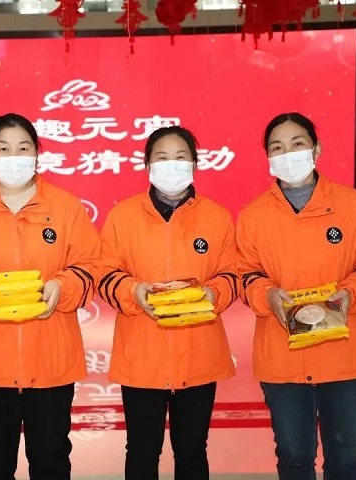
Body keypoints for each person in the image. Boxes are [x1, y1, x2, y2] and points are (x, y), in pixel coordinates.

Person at [0, 113, 99, 480]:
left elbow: (91, 265)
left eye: (23, 148)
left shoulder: (66, 207)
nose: (14, 157)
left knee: (51, 461)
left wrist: (63, 286)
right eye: (4, 148)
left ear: (38, 153)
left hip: (52, 362)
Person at [236, 112, 356, 480]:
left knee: (345, 457)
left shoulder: (352, 205)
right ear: (268, 157)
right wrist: (267, 295)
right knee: (293, 456)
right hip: (283, 356)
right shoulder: (253, 216)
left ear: (316, 149)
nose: (287, 154)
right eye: (277, 147)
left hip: (346, 354)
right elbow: (244, 273)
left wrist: (350, 293)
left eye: (297, 144)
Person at [97, 126, 238, 480]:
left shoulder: (217, 217)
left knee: (192, 450)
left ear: (194, 164)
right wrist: (134, 291)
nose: (171, 165)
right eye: (162, 158)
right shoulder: (123, 217)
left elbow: (233, 274)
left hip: (198, 353)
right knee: (142, 450)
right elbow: (105, 273)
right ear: (148, 165)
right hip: (142, 354)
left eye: (180, 157)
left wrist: (213, 293)